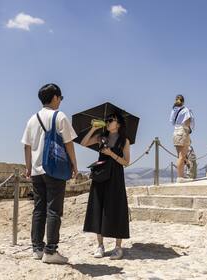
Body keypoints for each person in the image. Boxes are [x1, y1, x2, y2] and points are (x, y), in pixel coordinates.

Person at [21, 83, 78, 264]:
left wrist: (28, 167)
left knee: (39, 209)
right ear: (55, 97)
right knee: (54, 209)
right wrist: (74, 165)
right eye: (60, 97)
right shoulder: (59, 116)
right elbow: (69, 143)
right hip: (53, 169)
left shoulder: (32, 119)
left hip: (37, 170)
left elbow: (27, 145)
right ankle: (51, 251)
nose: (60, 101)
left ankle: (37, 248)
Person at [81, 113, 130, 260]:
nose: (108, 122)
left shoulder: (124, 141)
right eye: (107, 120)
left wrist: (111, 153)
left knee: (117, 208)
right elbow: (84, 143)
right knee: (99, 207)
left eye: (111, 120)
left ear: (118, 124)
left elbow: (126, 162)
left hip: (116, 177)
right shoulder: (101, 137)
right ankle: (100, 246)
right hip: (101, 175)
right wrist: (92, 129)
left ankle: (118, 247)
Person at [170, 95, 195, 183]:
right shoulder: (186, 110)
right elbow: (187, 122)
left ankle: (181, 176)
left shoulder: (174, 110)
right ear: (183, 101)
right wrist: (189, 130)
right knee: (182, 156)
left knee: (180, 156)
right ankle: (180, 177)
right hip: (183, 131)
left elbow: (172, 122)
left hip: (175, 132)